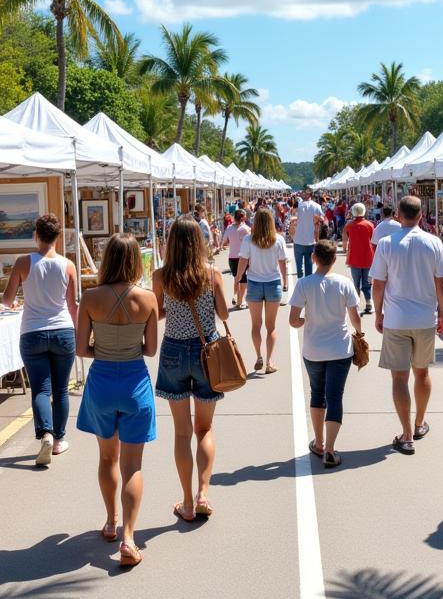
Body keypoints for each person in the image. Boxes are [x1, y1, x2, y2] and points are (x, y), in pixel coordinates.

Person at [76, 234, 158, 565]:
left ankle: (110, 521)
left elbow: (81, 349)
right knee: (132, 465)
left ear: (106, 259)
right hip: (135, 382)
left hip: (101, 382)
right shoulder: (149, 299)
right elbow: (150, 349)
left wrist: (105, 350)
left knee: (108, 459)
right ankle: (128, 539)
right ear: (137, 261)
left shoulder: (90, 297)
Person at [153, 216, 229, 523]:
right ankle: (203, 494)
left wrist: (175, 307)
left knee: (182, 432)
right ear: (199, 242)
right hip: (206, 352)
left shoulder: (161, 276)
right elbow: (224, 312)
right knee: (205, 429)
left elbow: (157, 312)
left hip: (173, 350)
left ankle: (185, 501)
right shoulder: (211, 275)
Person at [370, 195, 443, 455]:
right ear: (421, 216)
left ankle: (406, 434)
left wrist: (378, 312)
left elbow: (378, 283)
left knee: (399, 378)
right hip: (425, 318)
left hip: (396, 319)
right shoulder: (433, 242)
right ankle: (419, 422)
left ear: (398, 216)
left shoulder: (385, 243)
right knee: (422, 373)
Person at [2, 214, 78, 467]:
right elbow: (72, 305)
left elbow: (6, 300)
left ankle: (45, 433)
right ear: (57, 237)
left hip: (32, 332)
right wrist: (79, 332)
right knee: (61, 389)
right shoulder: (68, 265)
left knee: (41, 389)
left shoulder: (23, 262)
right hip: (62, 331)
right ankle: (59, 440)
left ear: (36, 235)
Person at [289, 239, 362, 468]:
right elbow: (355, 317)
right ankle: (330, 449)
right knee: (335, 397)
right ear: (334, 259)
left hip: (313, 349)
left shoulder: (304, 284)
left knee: (317, 393)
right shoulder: (344, 283)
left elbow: (293, 320)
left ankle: (318, 441)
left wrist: (306, 320)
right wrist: (360, 334)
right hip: (340, 349)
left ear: (314, 258)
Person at [234, 208, 289, 374]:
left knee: (256, 325)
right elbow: (283, 263)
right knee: (271, 326)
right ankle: (269, 361)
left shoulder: (249, 240)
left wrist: (237, 279)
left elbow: (243, 261)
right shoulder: (278, 240)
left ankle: (258, 355)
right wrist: (285, 282)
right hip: (273, 283)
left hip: (254, 284)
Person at [343, 202, 375, 315]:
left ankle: (355, 304)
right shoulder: (370, 224)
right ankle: (368, 302)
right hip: (368, 257)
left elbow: (345, 239)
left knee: (356, 282)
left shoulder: (349, 225)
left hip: (354, 257)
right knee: (367, 283)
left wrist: (344, 249)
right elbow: (373, 239)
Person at [220, 208, 251, 310]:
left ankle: (237, 298)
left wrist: (230, 242)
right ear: (243, 218)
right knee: (243, 278)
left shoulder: (229, 228)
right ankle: (240, 301)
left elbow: (224, 241)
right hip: (243, 257)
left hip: (232, 257)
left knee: (236, 278)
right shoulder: (246, 229)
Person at [292, 187, 323, 278]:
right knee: (309, 269)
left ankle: (300, 285)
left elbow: (292, 217)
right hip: (310, 240)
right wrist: (316, 219)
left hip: (298, 240)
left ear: (308, 194)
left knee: (299, 268)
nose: (302, 194)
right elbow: (323, 219)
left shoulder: (298, 206)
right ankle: (307, 287)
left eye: (304, 193)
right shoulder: (316, 206)